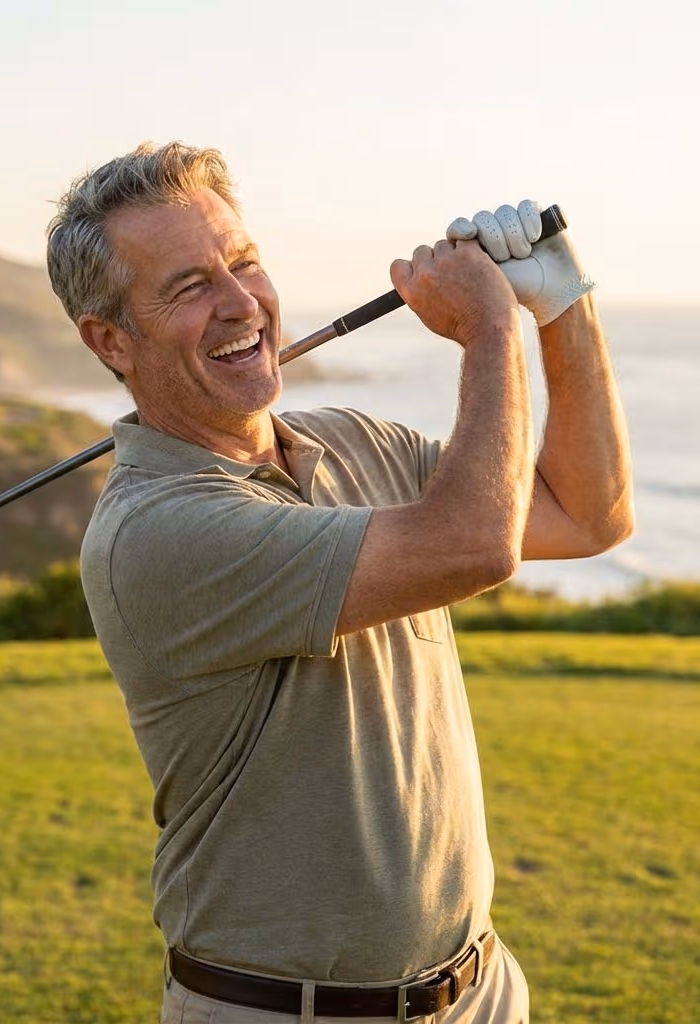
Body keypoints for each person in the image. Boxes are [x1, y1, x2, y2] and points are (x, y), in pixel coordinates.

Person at [46, 142, 633, 1023]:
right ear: (109, 341)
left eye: (242, 263)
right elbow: (475, 544)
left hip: (478, 992)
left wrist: (565, 310)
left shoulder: (356, 442)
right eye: (188, 286)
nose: (242, 303)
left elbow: (586, 516)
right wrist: (491, 330)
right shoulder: (154, 533)